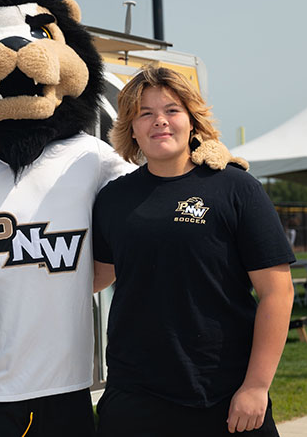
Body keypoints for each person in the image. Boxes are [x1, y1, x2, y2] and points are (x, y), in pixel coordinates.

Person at [92, 66, 295, 436]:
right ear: (131, 128)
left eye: (172, 110)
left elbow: (277, 292)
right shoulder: (113, 199)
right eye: (145, 113)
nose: (160, 122)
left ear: (191, 120)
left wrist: (255, 387)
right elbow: (95, 277)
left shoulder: (235, 189)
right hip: (135, 395)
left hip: (223, 394)